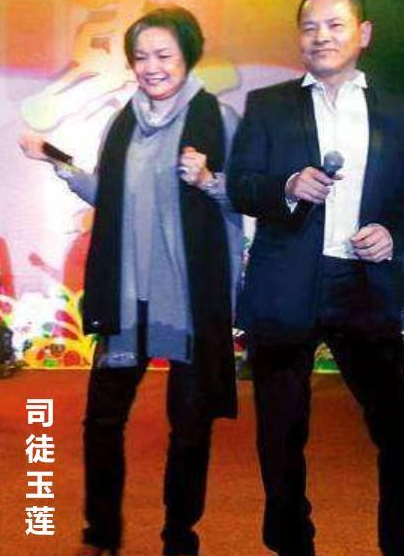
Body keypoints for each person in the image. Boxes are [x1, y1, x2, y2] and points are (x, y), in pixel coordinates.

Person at [20, 6, 242, 556]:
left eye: (164, 55)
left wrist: (208, 179)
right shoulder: (122, 122)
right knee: (102, 420)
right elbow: (108, 195)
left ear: (188, 56)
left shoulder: (219, 119)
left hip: (187, 302)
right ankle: (100, 535)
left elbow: (243, 198)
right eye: (141, 57)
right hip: (127, 299)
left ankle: (179, 538)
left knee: (189, 428)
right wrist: (57, 162)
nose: (151, 67)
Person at [228, 1, 404, 555]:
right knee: (281, 432)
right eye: (310, 26)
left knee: (398, 427)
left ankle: (403, 540)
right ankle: (291, 543)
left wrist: (392, 232)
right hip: (286, 285)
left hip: (363, 284)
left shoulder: (400, 113)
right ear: (299, 37)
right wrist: (286, 186)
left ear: (363, 33)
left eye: (335, 24)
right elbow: (240, 184)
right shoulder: (268, 105)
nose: (321, 36)